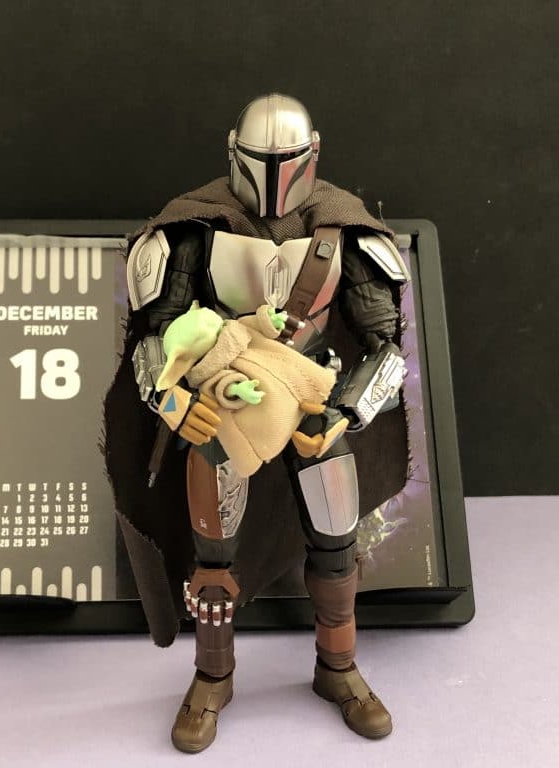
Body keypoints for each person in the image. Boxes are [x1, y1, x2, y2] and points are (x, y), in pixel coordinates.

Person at [104, 93, 410, 753]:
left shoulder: (344, 229)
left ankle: (338, 667)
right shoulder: (193, 227)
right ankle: (212, 675)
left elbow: (386, 347)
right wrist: (173, 403)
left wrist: (346, 411)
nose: (274, 177)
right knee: (213, 561)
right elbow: (153, 339)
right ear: (232, 152)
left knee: (337, 547)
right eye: (259, 160)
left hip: (314, 398)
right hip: (225, 407)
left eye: (288, 160)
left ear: (314, 153)